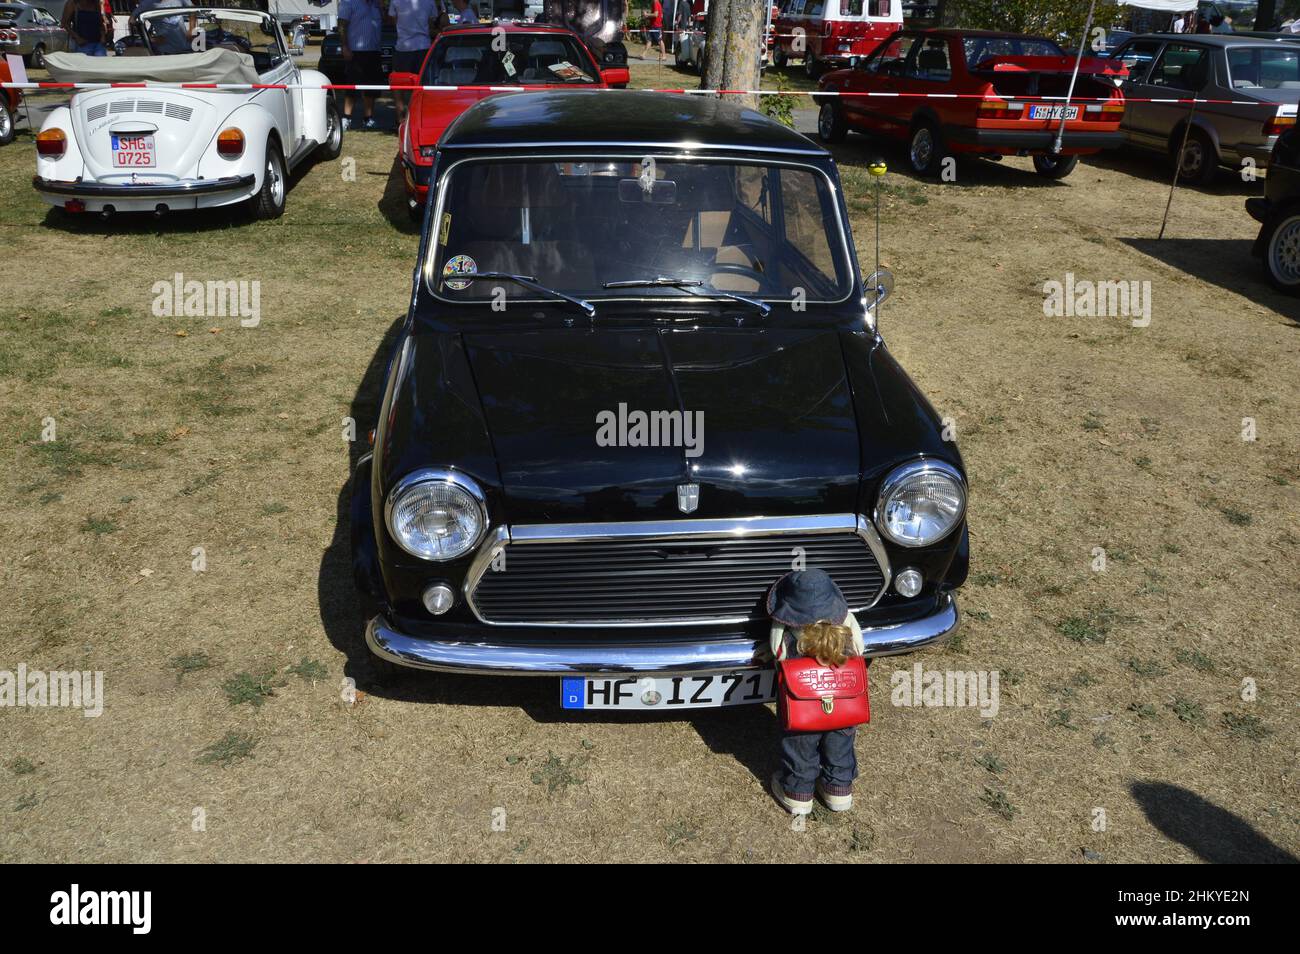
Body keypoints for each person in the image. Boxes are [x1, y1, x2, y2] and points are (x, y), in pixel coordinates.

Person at [765, 569, 866, 816]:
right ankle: (839, 790)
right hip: (843, 704)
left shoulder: (786, 629)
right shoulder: (846, 622)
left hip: (804, 708)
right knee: (841, 744)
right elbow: (860, 649)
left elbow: (778, 654)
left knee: (800, 747)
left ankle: (798, 795)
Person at [389, 0, 438, 125]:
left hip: (403, 47)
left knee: (398, 85)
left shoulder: (396, 1)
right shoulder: (429, 2)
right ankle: (419, 119)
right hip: (423, 46)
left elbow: (392, 21)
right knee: (422, 86)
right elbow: (431, 24)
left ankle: (401, 120)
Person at [339, 0, 385, 130]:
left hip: (374, 50)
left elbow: (386, 21)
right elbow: (342, 25)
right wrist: (344, 46)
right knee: (352, 86)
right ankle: (346, 118)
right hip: (355, 51)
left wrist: (382, 9)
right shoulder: (349, 2)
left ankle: (368, 118)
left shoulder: (376, 4)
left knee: (371, 87)